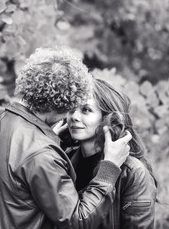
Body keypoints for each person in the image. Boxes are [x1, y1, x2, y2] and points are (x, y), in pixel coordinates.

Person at [0, 47, 132, 229]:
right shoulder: (41, 154)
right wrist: (109, 169)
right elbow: (79, 221)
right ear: (68, 101)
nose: (73, 115)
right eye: (74, 106)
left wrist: (51, 139)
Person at [63, 78, 157, 228]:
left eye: (86, 110)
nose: (74, 116)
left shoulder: (133, 173)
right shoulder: (63, 161)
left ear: (108, 118)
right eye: (71, 109)